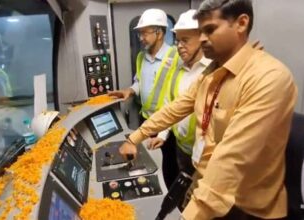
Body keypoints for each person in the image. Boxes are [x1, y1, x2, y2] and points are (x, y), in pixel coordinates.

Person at [119, 0, 297, 219]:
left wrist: (190, 215)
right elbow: (175, 108)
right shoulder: (211, 74)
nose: (202, 39)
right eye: (201, 31)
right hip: (205, 184)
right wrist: (135, 137)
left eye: (210, 30)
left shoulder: (268, 78)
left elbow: (231, 160)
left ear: (241, 24)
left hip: (243, 207)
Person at [108, 8, 182, 188]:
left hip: (167, 125)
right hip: (146, 121)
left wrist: (165, 132)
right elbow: (140, 81)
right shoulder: (141, 57)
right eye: (139, 33)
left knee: (169, 170)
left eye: (144, 33)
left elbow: (179, 100)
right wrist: (130, 91)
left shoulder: (176, 57)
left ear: (159, 32)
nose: (140, 37)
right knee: (149, 166)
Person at [149, 9, 211, 176]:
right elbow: (171, 105)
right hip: (182, 149)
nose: (180, 47)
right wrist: (162, 135)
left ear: (201, 38)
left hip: (207, 158)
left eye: (185, 40)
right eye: (177, 41)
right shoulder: (178, 70)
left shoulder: (215, 71)